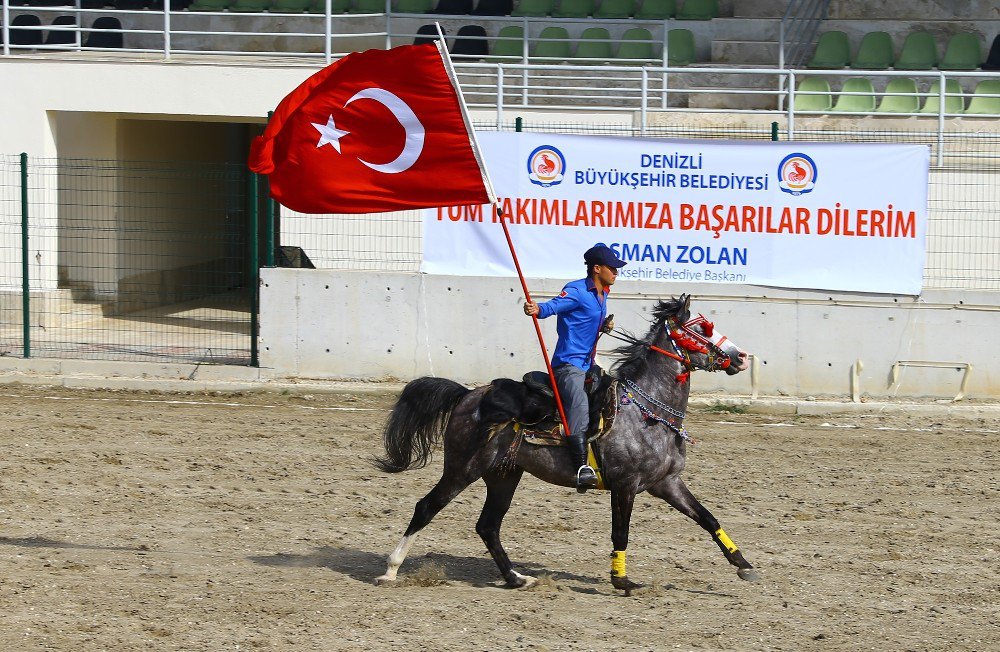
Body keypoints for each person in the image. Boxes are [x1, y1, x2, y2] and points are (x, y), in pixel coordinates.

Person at [523, 244, 626, 492]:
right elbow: (553, 307)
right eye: (612, 268)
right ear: (597, 268)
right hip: (568, 366)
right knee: (578, 404)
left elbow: (584, 321)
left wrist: (603, 327)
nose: (616, 272)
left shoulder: (604, 293)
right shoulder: (577, 291)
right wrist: (538, 309)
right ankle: (580, 468)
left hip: (588, 364)